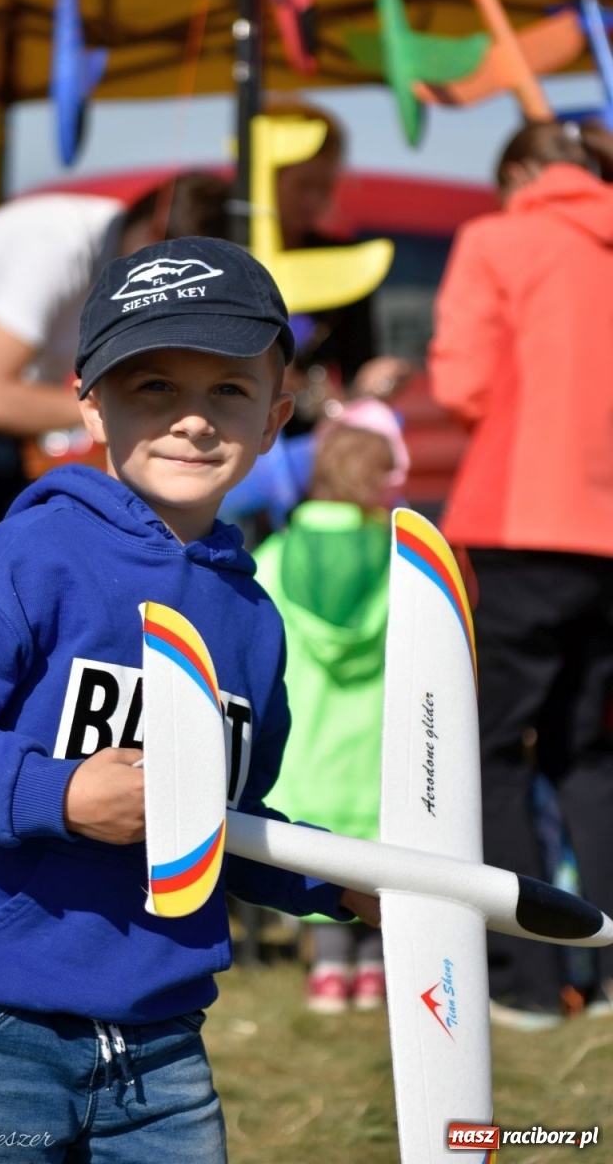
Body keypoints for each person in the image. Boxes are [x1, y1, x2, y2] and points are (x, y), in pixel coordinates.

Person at [0, 235, 379, 1162]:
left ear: (276, 418)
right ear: (90, 405)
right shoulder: (27, 558)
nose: (193, 420)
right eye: (155, 389)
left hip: (162, 1047)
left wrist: (331, 883)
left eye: (228, 390)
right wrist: (57, 797)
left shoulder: (254, 620)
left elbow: (223, 819)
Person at [0, 170, 232, 643]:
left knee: (10, 587)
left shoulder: (113, 255)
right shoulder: (58, 247)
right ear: (156, 240)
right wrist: (128, 410)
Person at [427, 119, 613, 1028]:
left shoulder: (499, 239)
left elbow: (461, 383)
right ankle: (609, 976)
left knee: (493, 751)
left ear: (525, 173)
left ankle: (525, 982)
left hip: (522, 516)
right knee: (591, 753)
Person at [254, 402, 409, 1012]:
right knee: (379, 866)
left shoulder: (273, 559)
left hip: (308, 748)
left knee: (322, 857)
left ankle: (327, 973)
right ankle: (373, 971)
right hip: (378, 751)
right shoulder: (404, 563)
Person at [266, 98, 411, 432]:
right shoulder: (226, 253)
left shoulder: (345, 261)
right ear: (267, 175)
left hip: (309, 448)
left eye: (325, 187)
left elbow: (358, 363)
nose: (315, 201)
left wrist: (375, 381)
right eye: (304, 185)